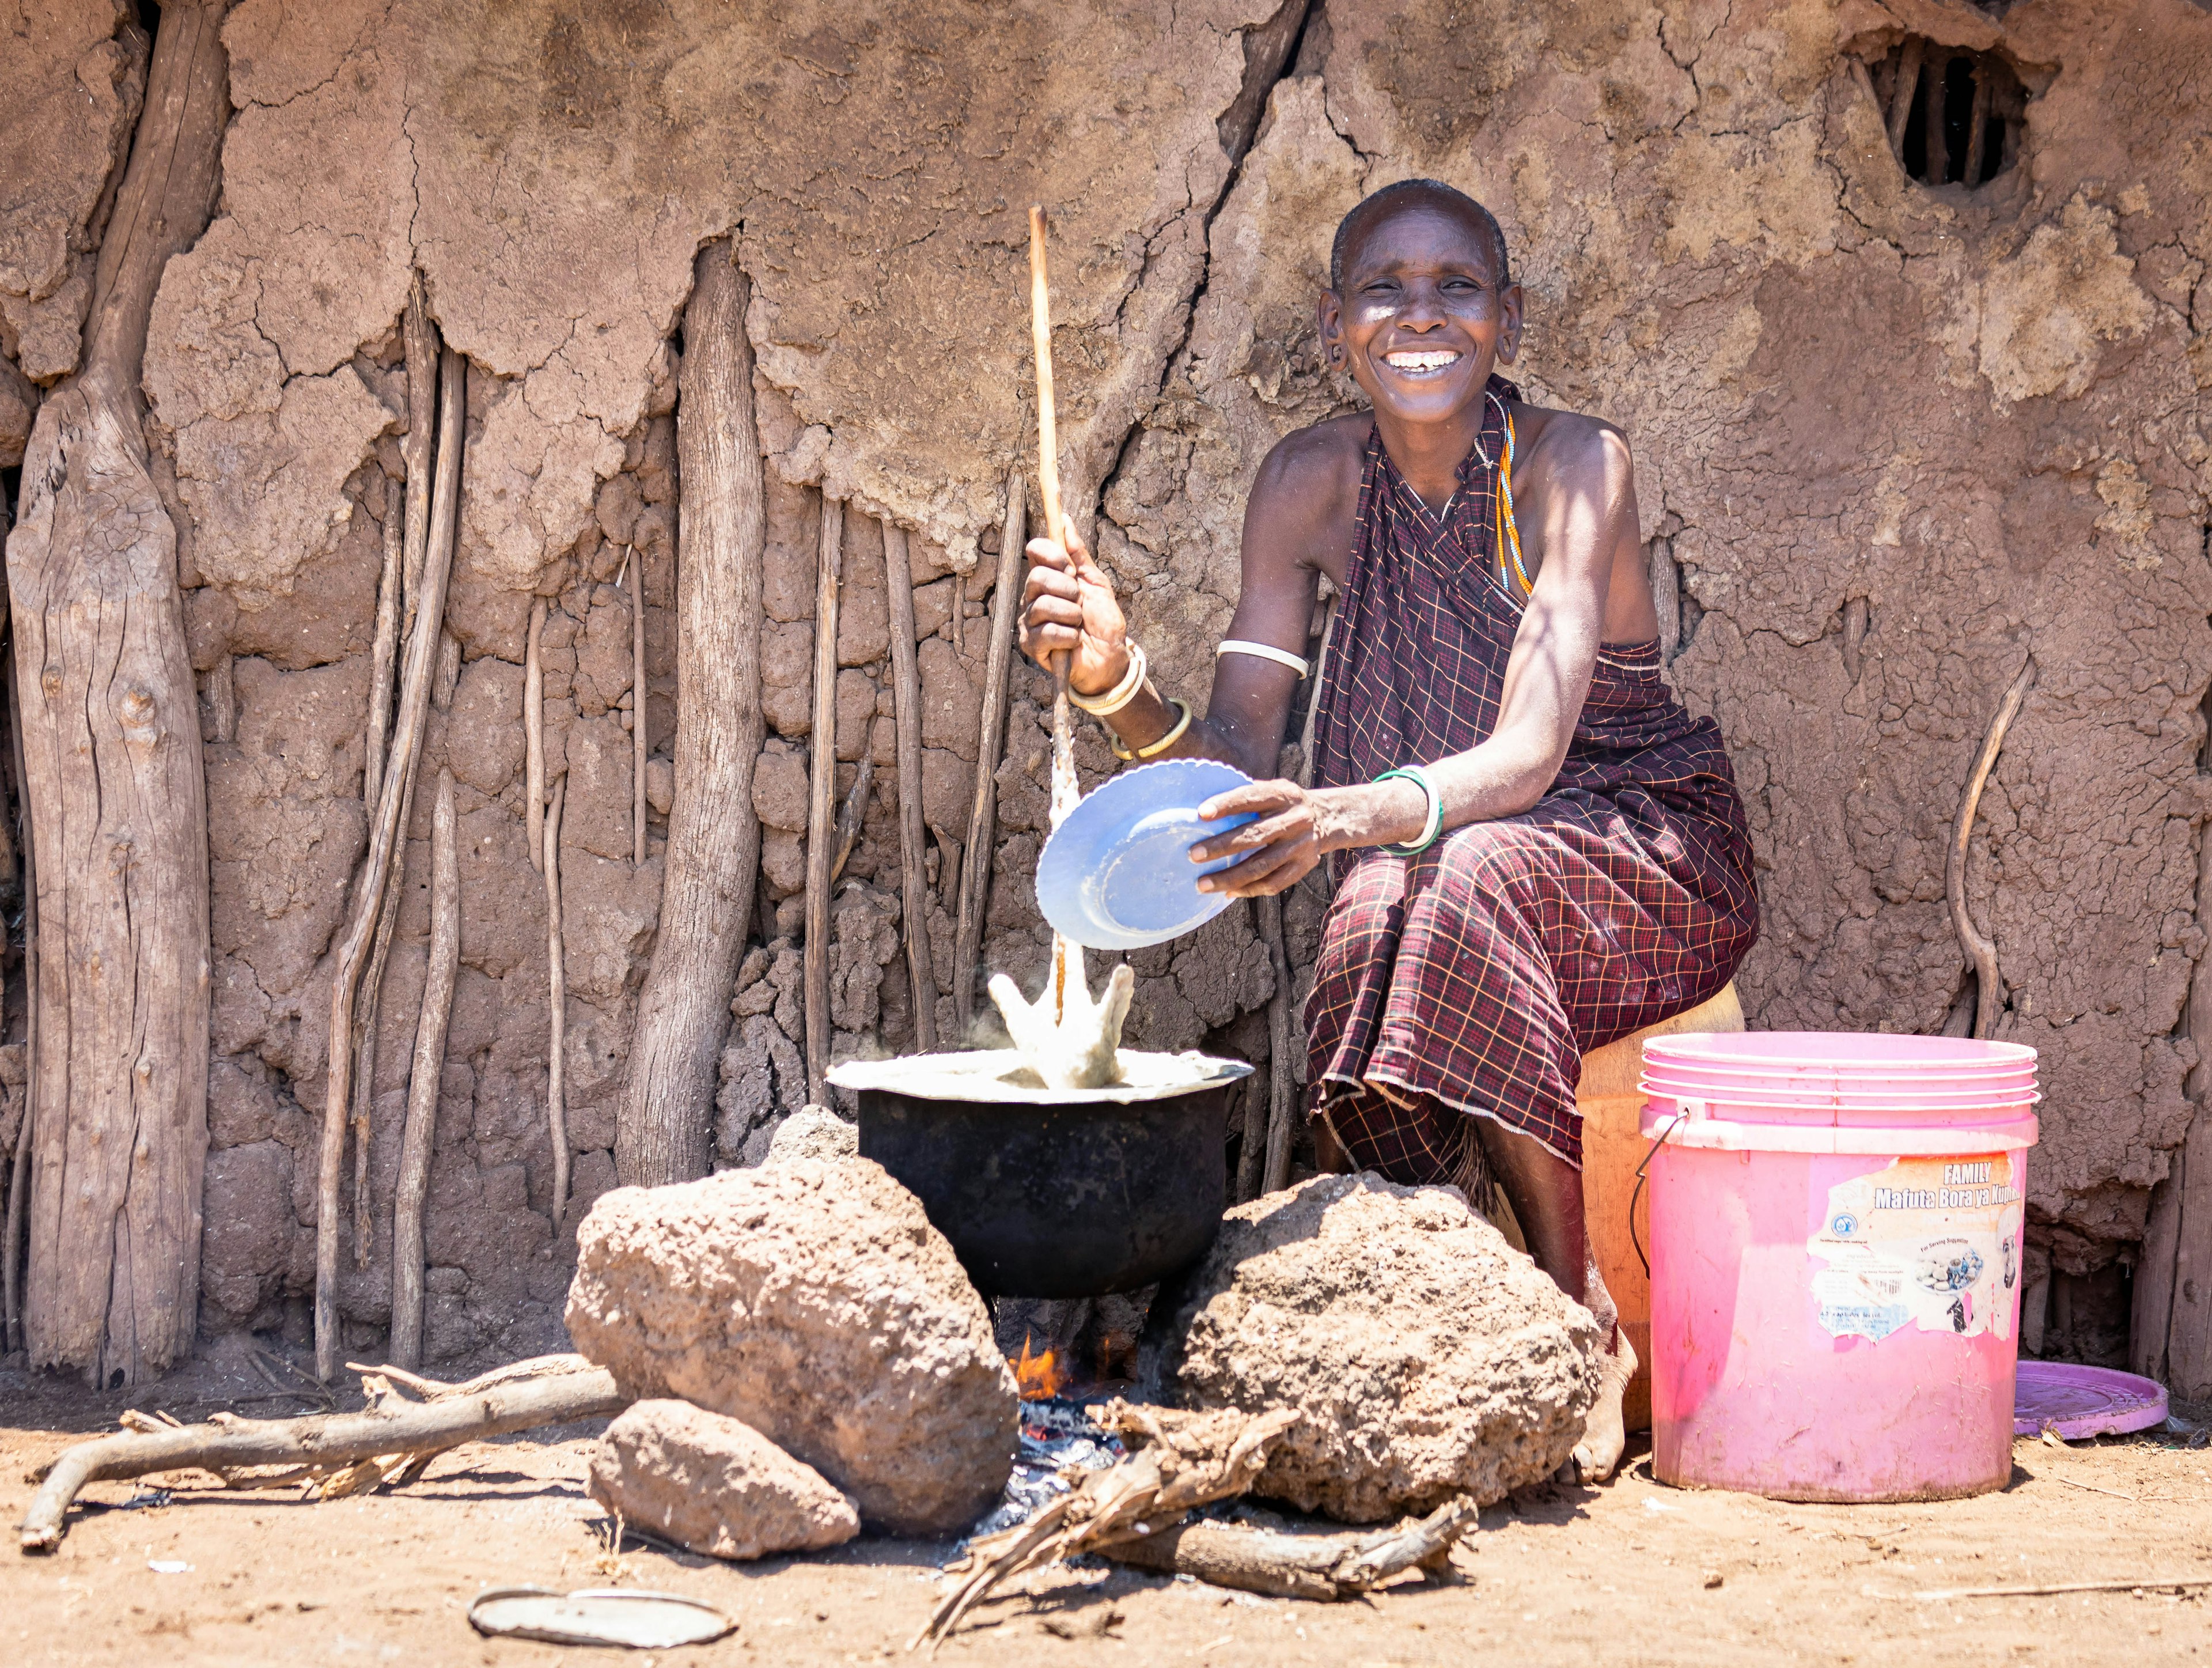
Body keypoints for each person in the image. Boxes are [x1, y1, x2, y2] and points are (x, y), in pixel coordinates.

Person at [1017, 179, 1758, 1480]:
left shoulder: (1576, 467)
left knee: (1451, 869)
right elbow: (1240, 767)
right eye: (1386, 290)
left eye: (1457, 288)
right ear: (1334, 323)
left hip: (1642, 843)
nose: (1421, 317)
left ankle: (1578, 1317)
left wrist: (1354, 811)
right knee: (1367, 906)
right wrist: (1114, 681)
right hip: (1453, 858)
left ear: (1508, 320)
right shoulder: (1306, 486)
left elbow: (1533, 754)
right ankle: (1442, 1293)